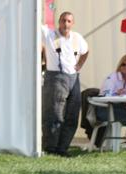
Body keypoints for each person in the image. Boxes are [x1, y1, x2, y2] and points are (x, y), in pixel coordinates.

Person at [41, 11, 89, 156]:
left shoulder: (77, 38)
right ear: (59, 22)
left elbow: (86, 51)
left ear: (72, 23)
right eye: (63, 21)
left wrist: (79, 65)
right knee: (54, 115)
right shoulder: (49, 34)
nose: (65, 24)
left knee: (72, 115)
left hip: (73, 78)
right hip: (55, 77)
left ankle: (63, 148)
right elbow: (36, 21)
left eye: (68, 21)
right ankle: (51, 148)